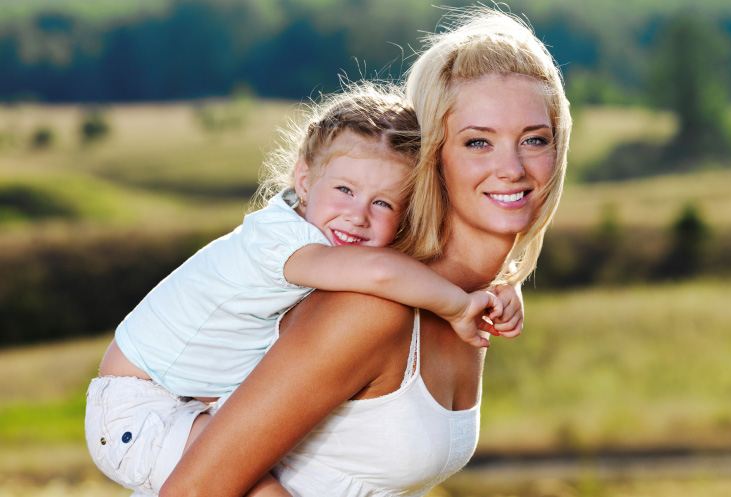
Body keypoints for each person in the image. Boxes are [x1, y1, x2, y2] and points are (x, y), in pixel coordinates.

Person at [160, 6, 571, 497]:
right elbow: (191, 491)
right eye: (478, 142)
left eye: (534, 140)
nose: (511, 168)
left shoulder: (467, 301)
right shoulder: (370, 309)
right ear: (432, 157)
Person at [86, 84, 524, 497]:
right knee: (255, 487)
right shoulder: (285, 241)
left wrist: (501, 288)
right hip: (139, 406)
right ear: (304, 179)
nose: (358, 216)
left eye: (383, 203)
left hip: (174, 397)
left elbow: (407, 268)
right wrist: (460, 305)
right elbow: (381, 274)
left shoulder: (324, 244)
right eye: (345, 190)